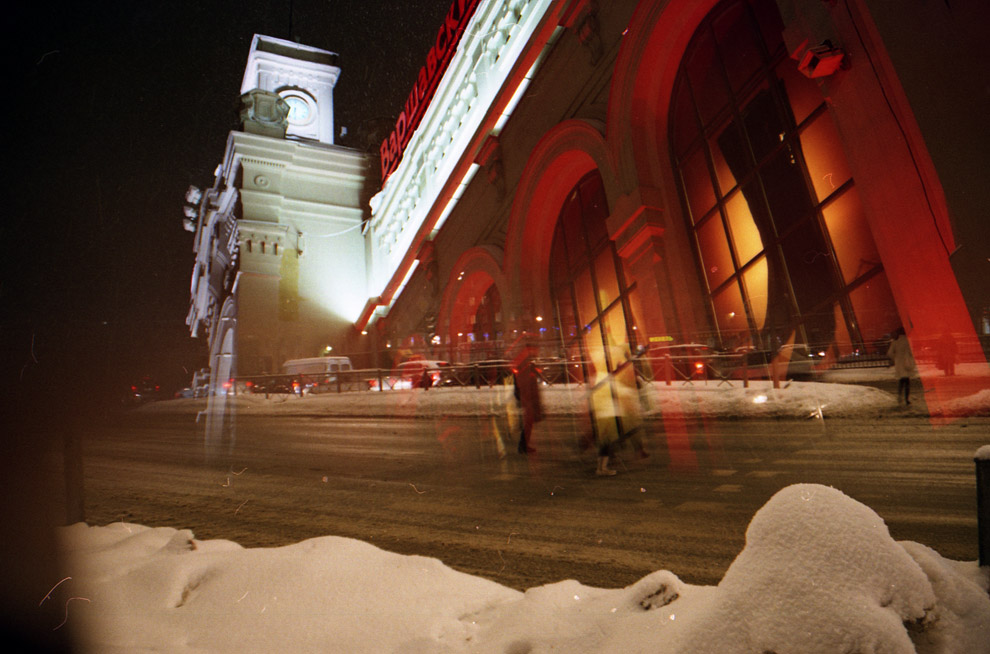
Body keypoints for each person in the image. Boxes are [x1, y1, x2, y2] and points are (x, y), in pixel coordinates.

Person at [513, 352, 543, 454]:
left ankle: (523, 445)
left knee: (528, 422)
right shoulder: (524, 369)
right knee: (528, 423)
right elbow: (526, 386)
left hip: (527, 399)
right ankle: (523, 446)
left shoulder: (525, 368)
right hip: (527, 400)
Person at [886, 328, 915, 405]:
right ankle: (906, 399)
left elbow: (889, 353)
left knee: (901, 381)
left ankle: (900, 397)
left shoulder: (895, 342)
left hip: (899, 364)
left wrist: (895, 358)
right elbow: (911, 351)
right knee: (907, 382)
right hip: (906, 363)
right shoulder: (907, 340)